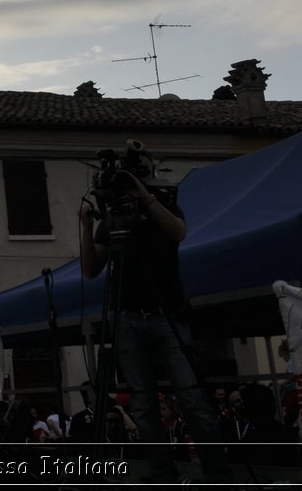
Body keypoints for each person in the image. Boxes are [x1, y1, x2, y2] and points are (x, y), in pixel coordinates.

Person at [76, 156, 230, 484]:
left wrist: (144, 195)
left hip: (166, 314)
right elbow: (91, 270)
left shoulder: (164, 207)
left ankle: (217, 475)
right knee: (143, 407)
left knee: (191, 397)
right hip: (128, 318)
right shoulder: (114, 216)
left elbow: (179, 233)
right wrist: (86, 227)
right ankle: (164, 476)